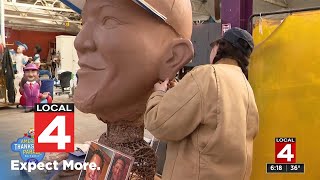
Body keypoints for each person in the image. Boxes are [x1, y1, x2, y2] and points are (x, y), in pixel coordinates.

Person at [73, 0, 194, 178]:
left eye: (109, 20)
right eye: (84, 24)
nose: (80, 41)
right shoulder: (107, 145)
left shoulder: (141, 157)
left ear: (173, 57)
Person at [144, 27, 259, 180]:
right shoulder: (246, 87)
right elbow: (214, 119)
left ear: (220, 48)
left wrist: (158, 94)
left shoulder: (207, 75)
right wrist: (180, 91)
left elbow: (158, 122)